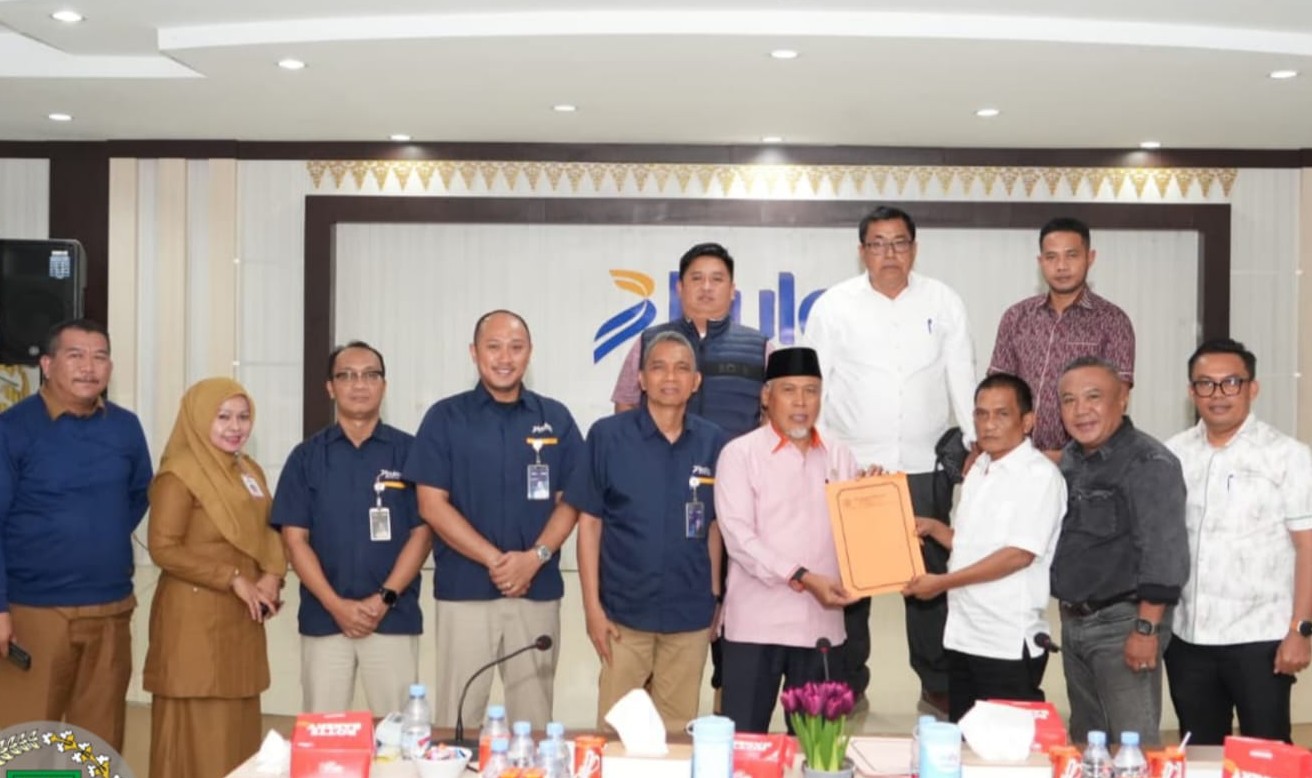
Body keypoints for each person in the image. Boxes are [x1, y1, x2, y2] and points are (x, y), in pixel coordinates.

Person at [804, 206, 976, 714]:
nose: (889, 254)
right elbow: (817, 381)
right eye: (878, 244)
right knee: (853, 580)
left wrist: (974, 444)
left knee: (928, 581)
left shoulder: (943, 300)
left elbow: (961, 374)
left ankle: (937, 678)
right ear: (862, 251)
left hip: (925, 465)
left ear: (914, 248)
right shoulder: (835, 306)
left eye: (899, 243)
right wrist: (823, 457)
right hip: (855, 466)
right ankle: (848, 680)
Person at [405, 310, 582, 729]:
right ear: (474, 352)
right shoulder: (445, 418)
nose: (505, 358)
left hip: (536, 591)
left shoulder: (555, 418)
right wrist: (497, 561)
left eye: (516, 347)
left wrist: (534, 558)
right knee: (458, 720)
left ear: (529, 353)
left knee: (533, 722)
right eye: (494, 347)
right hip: (465, 592)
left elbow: (572, 501)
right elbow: (431, 504)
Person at [0, 319, 152, 750]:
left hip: (111, 609)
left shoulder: (124, 427)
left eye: (100, 356)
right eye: (76, 355)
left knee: (99, 743)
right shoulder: (12, 429)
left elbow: (138, 494)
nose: (89, 367)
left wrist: (94, 535)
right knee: (29, 744)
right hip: (35, 614)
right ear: (47, 365)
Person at [569, 330, 729, 733]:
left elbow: (713, 526)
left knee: (676, 736)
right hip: (623, 617)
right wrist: (592, 609)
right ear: (641, 379)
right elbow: (589, 524)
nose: (670, 377)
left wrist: (713, 596)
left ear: (696, 381)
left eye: (682, 368)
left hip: (689, 617)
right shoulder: (607, 436)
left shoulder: (713, 442)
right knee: (616, 735)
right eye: (658, 367)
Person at [1163, 339, 1312, 744]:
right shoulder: (1172, 455)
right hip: (1188, 639)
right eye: (1205, 384)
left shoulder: (1288, 456)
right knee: (1200, 754)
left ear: (1252, 388)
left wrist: (1301, 630)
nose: (1218, 394)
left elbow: (1307, 548)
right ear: (1192, 391)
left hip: (1260, 640)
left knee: (1266, 754)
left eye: (1231, 382)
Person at [272, 342, 432, 715]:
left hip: (392, 618)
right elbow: (294, 541)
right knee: (324, 732)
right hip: (325, 619)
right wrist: (335, 605)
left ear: (384, 385)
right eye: (347, 376)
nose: (359, 384)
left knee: (398, 733)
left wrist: (383, 599)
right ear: (330, 387)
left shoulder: (411, 452)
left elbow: (423, 534)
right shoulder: (306, 457)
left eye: (370, 375)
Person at [143, 377, 286, 778]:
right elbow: (163, 548)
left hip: (241, 619)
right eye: (222, 417)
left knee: (238, 732)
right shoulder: (179, 474)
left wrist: (273, 574)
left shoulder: (248, 470)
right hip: (193, 623)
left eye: (243, 416)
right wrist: (233, 578)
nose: (235, 427)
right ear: (198, 418)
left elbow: (270, 530)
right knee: (197, 737)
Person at [903, 373, 1066, 722]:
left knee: (1006, 745)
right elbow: (969, 545)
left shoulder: (1038, 476)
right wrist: (936, 529)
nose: (989, 424)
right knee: (964, 740)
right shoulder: (979, 468)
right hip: (963, 635)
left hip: (1006, 642)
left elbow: (1018, 555)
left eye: (1001, 414)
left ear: (1027, 421)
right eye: (981, 414)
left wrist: (942, 583)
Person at [714, 347, 861, 733]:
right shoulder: (739, 455)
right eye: (789, 390)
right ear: (767, 396)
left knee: (818, 748)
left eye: (811, 391)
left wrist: (876, 503)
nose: (801, 402)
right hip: (756, 627)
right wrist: (802, 576)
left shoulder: (841, 457)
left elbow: (857, 536)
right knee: (745, 745)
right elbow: (739, 538)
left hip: (821, 628)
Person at [1051, 356, 1189, 746]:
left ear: (1123, 398)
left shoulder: (1148, 461)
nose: (1081, 410)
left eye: (1093, 397)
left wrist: (1145, 629)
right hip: (1075, 622)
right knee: (1088, 742)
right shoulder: (1072, 459)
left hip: (1123, 625)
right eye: (1069, 400)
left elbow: (1164, 553)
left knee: (1133, 746)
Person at [989, 217, 1135, 460]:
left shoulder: (1113, 321)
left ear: (1090, 258)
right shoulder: (1016, 317)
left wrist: (1065, 459)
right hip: (1018, 460)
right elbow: (997, 391)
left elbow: (1117, 400)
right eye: (1051, 257)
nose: (1061, 266)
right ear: (1040, 262)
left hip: (1086, 464)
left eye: (1071, 255)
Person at [611, 241, 770, 437]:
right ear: (680, 288)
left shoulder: (760, 348)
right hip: (662, 455)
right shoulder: (650, 341)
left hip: (734, 456)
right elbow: (626, 402)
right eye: (697, 278)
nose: (706, 287)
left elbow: (775, 411)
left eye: (716, 279)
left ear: (732, 291)